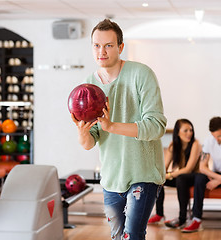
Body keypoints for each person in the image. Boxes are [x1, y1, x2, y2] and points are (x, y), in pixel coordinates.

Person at [71, 19, 167, 240]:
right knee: (117, 237)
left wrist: (111, 126)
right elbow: (89, 143)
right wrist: (82, 130)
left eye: (108, 45)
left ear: (121, 47)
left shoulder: (141, 74)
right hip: (112, 177)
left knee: (132, 235)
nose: (101, 51)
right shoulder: (88, 86)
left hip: (143, 174)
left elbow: (156, 126)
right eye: (96, 45)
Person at [148, 119, 201, 228]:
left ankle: (182, 218)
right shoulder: (173, 145)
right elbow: (165, 166)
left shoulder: (195, 144)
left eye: (191, 130)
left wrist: (170, 175)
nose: (189, 133)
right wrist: (161, 175)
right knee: (158, 179)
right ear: (178, 132)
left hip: (194, 176)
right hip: (181, 177)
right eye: (185, 130)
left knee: (181, 178)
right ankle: (159, 214)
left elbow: (188, 169)